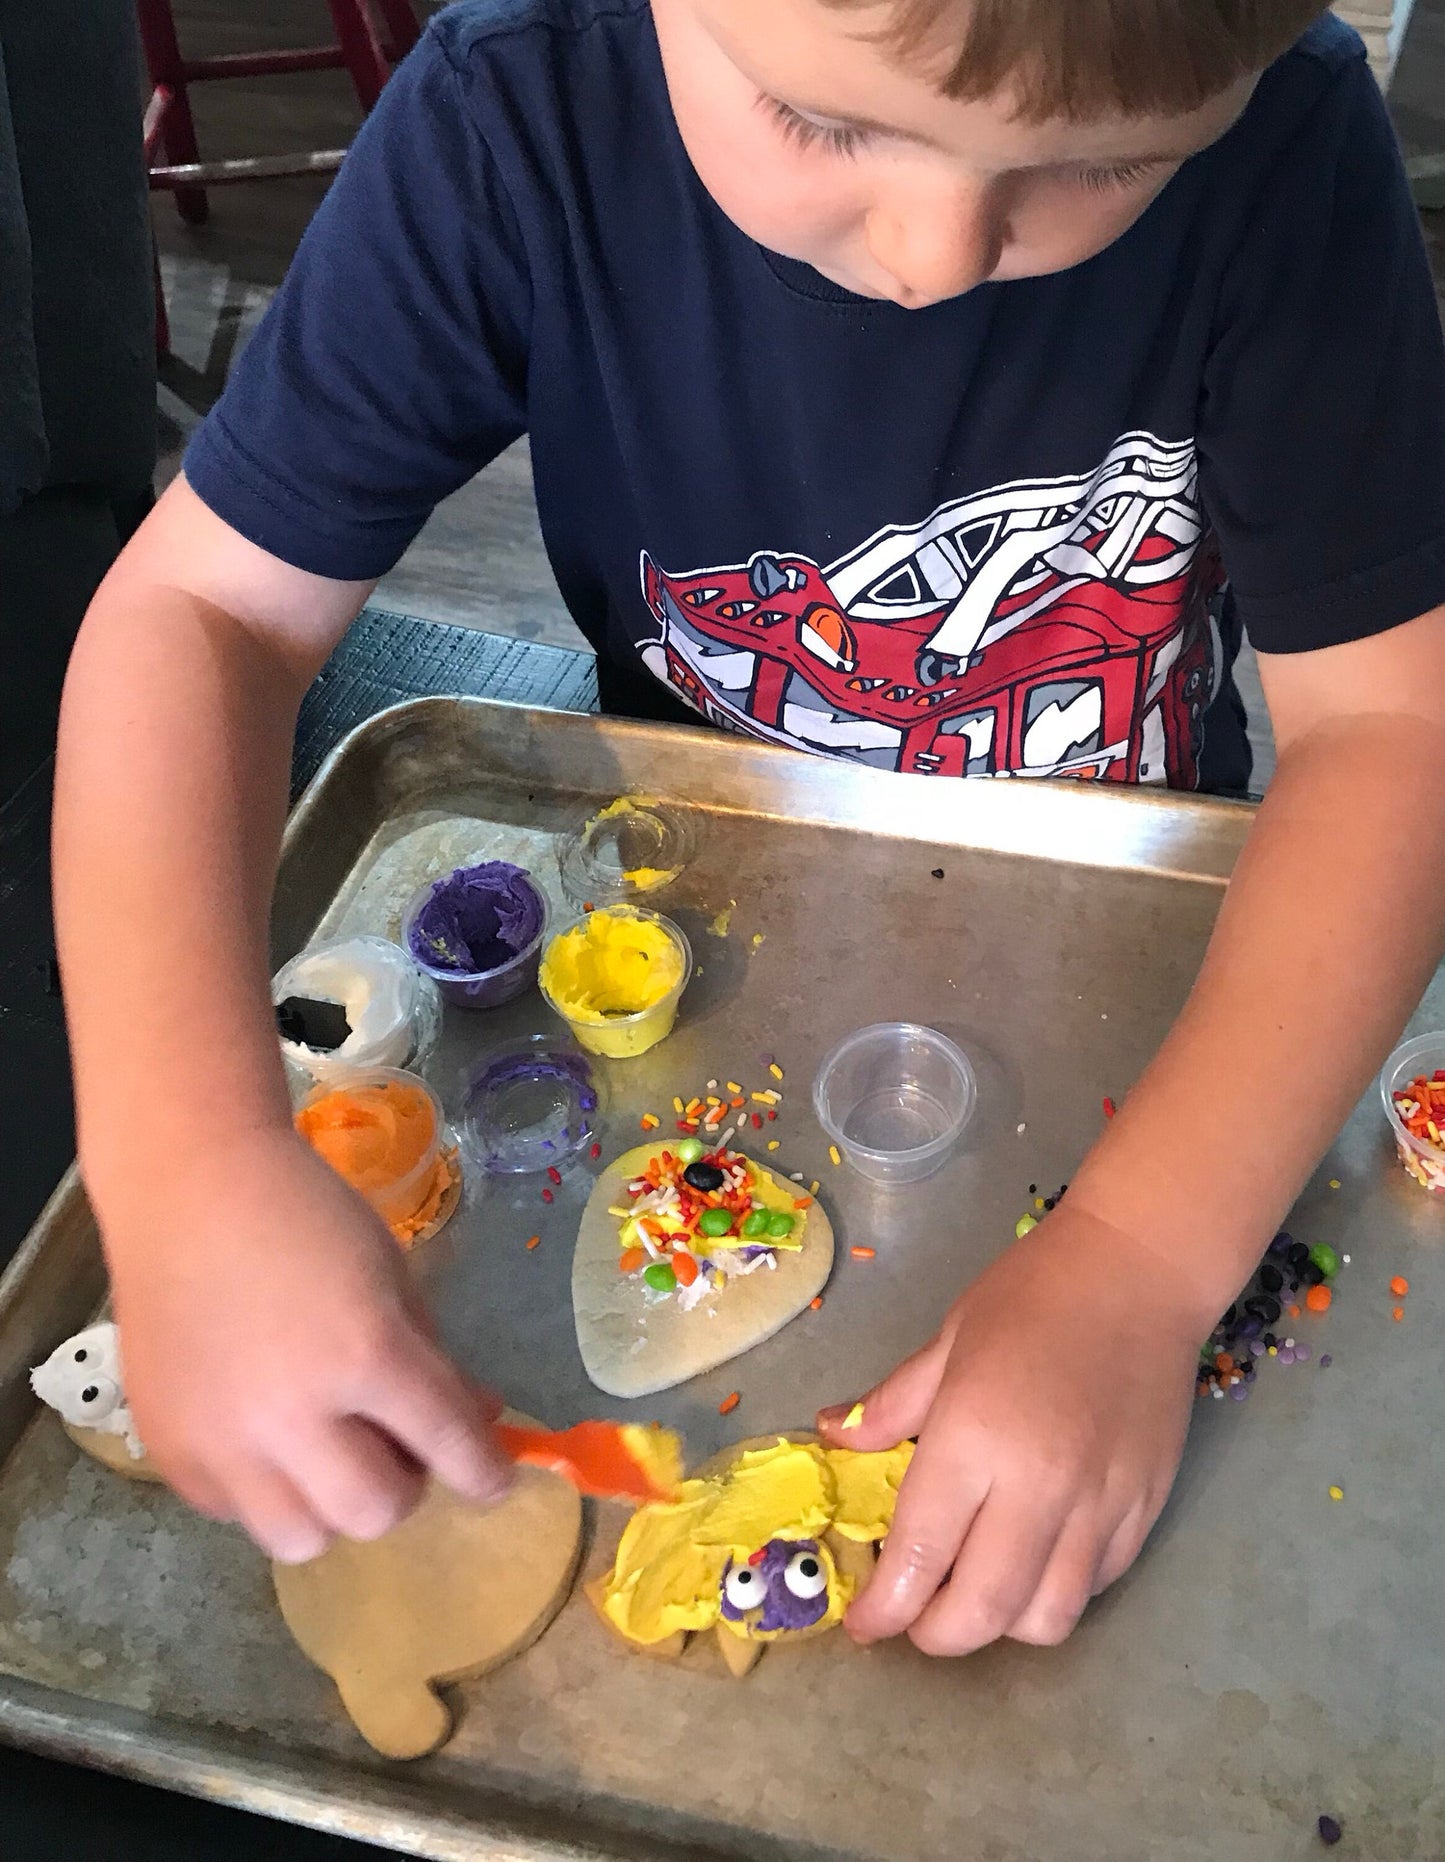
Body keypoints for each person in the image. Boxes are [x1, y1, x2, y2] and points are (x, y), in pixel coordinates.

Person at [53, 0, 1445, 1658]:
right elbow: (202, 612)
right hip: (707, 896)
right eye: (822, 124)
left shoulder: (1286, 153)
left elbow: (1395, 729)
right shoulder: (516, 128)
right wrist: (187, 1157)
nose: (937, 254)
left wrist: (1144, 1260)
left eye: (1108, 165)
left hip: (1154, 953)